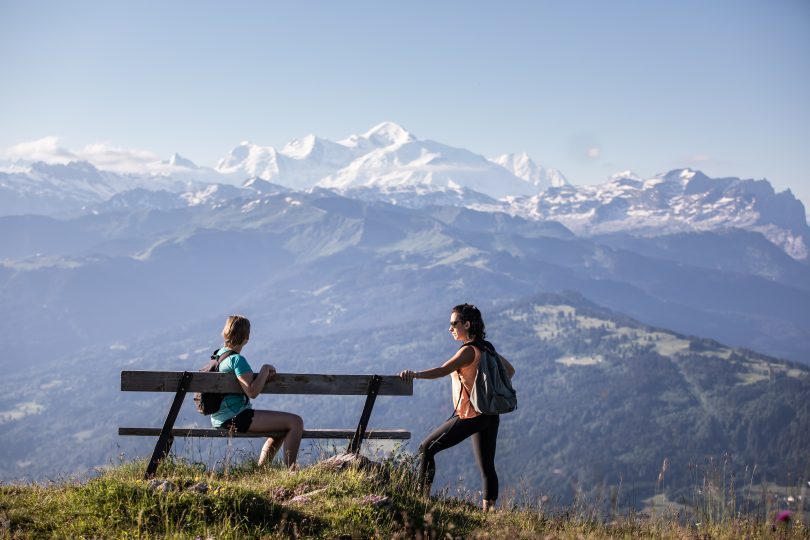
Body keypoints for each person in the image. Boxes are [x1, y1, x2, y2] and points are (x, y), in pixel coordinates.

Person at [399, 303, 515, 512]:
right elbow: (510, 370)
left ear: (467, 324)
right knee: (487, 466)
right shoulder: (487, 348)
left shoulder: (468, 351)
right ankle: (488, 514)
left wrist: (415, 374)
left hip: (470, 416)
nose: (450, 328)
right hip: (489, 414)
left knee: (426, 448)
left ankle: (421, 501)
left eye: (454, 323)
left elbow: (442, 370)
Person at [211, 315, 304, 468]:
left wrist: (262, 378)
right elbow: (252, 392)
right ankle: (291, 471)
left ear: (225, 333)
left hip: (221, 417)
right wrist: (265, 369)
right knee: (295, 422)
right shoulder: (237, 360)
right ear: (246, 338)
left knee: (281, 430)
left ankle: (261, 470)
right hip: (235, 417)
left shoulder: (219, 355)